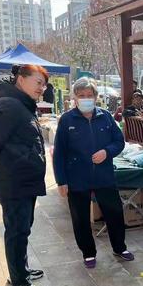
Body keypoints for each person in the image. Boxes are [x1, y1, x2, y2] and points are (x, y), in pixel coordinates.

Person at [0, 64, 48, 286]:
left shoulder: (21, 104)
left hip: (23, 179)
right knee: (17, 231)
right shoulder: (9, 105)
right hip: (14, 181)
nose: (43, 88)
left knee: (22, 229)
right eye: (38, 82)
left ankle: (19, 271)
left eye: (44, 84)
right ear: (21, 79)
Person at [53, 77, 134, 269]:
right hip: (77, 178)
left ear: (96, 97)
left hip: (104, 176)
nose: (85, 99)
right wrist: (61, 181)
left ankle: (119, 247)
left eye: (89, 95)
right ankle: (88, 252)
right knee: (80, 218)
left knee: (114, 212)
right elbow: (59, 153)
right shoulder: (67, 120)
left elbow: (119, 141)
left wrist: (107, 152)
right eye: (81, 96)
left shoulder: (105, 116)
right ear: (74, 98)